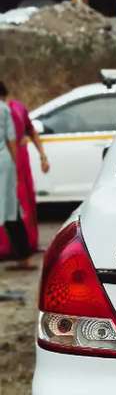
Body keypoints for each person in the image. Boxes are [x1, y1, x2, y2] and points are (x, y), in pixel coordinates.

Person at [0, 83, 48, 269]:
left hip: (15, 159)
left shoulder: (17, 109)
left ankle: (21, 252)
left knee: (17, 206)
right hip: (13, 159)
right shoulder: (11, 109)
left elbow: (30, 131)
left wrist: (43, 155)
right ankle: (20, 252)